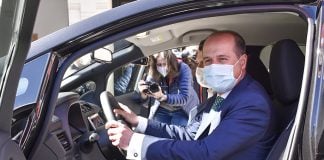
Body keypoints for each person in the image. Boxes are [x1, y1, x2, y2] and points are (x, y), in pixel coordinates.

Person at [106, 30, 277, 160]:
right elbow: (190, 136)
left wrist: (134, 143)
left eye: (223, 59)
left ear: (243, 62)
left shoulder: (252, 103)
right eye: (208, 61)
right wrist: (138, 122)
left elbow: (205, 152)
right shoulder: (224, 95)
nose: (212, 67)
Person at [137, 50, 199, 126]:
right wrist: (144, 95)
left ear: (171, 63)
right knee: (157, 132)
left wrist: (163, 97)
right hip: (162, 108)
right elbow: (148, 103)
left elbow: (184, 98)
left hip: (183, 109)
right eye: (159, 65)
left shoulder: (183, 68)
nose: (163, 67)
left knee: (179, 134)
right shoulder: (153, 72)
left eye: (165, 64)